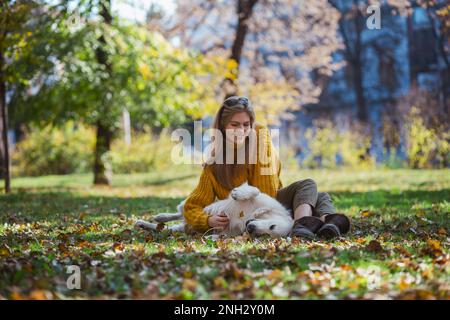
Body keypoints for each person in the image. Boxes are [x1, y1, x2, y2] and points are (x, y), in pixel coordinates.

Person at [183, 96, 351, 239]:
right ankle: (317, 224)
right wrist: (207, 221)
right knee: (319, 197)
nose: (241, 130)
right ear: (222, 127)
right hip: (244, 214)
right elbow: (191, 207)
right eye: (234, 125)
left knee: (309, 186)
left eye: (246, 125)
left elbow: (268, 190)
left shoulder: (260, 137)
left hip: (271, 203)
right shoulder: (214, 163)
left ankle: (305, 227)